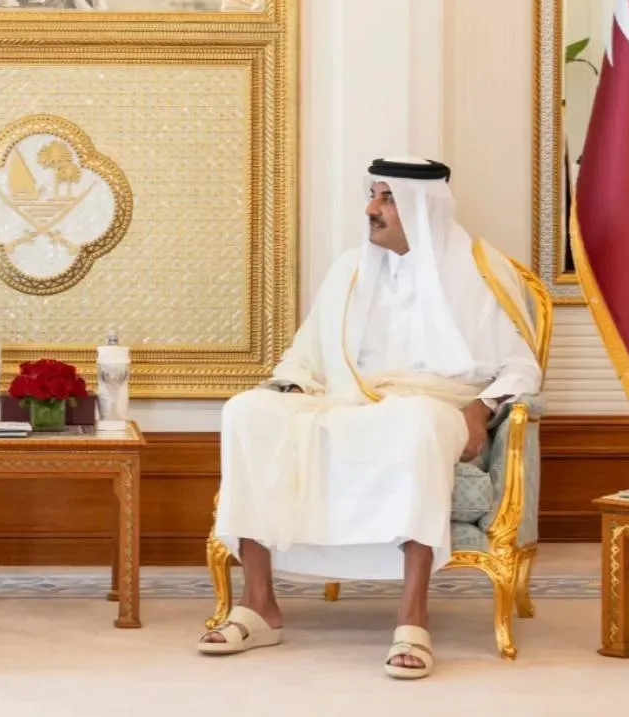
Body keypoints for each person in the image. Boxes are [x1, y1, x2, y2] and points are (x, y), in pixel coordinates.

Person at [197, 157, 541, 679]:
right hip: (346, 401)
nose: (371, 209)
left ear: (422, 209)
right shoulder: (350, 269)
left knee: (418, 423)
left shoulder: (479, 270)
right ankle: (259, 604)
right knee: (247, 411)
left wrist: (479, 409)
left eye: (385, 198)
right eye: (373, 196)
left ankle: (412, 619)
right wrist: (289, 386)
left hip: (438, 405)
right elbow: (305, 353)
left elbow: (521, 367)